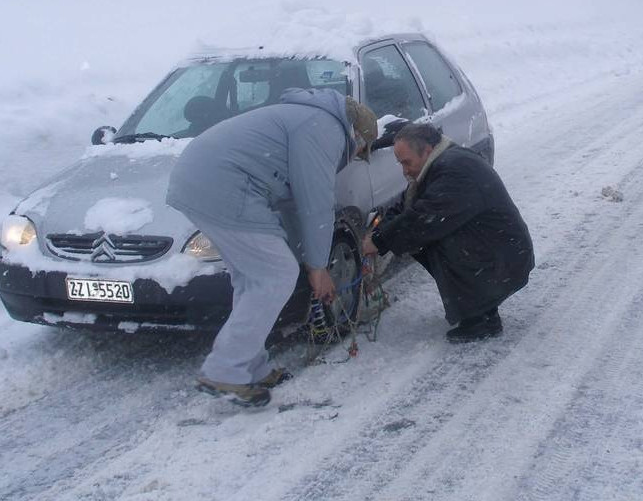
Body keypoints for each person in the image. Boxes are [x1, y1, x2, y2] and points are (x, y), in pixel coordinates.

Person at [167, 88, 377, 407]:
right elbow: (315, 202)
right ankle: (226, 369)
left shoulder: (307, 118)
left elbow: (293, 204)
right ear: (356, 134)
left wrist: (310, 259)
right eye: (362, 148)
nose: (357, 155)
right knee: (276, 275)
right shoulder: (325, 128)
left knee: (254, 279)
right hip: (224, 184)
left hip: (200, 178)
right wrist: (318, 268)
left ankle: (250, 367)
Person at [363, 123, 534, 343]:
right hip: (497, 251)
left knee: (432, 235)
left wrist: (379, 240)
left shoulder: (456, 170)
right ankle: (482, 307)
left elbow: (423, 217)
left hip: (504, 259)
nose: (404, 171)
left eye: (407, 162)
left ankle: (480, 318)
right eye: (400, 164)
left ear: (426, 151)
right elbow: (407, 205)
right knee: (421, 236)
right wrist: (378, 231)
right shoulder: (441, 162)